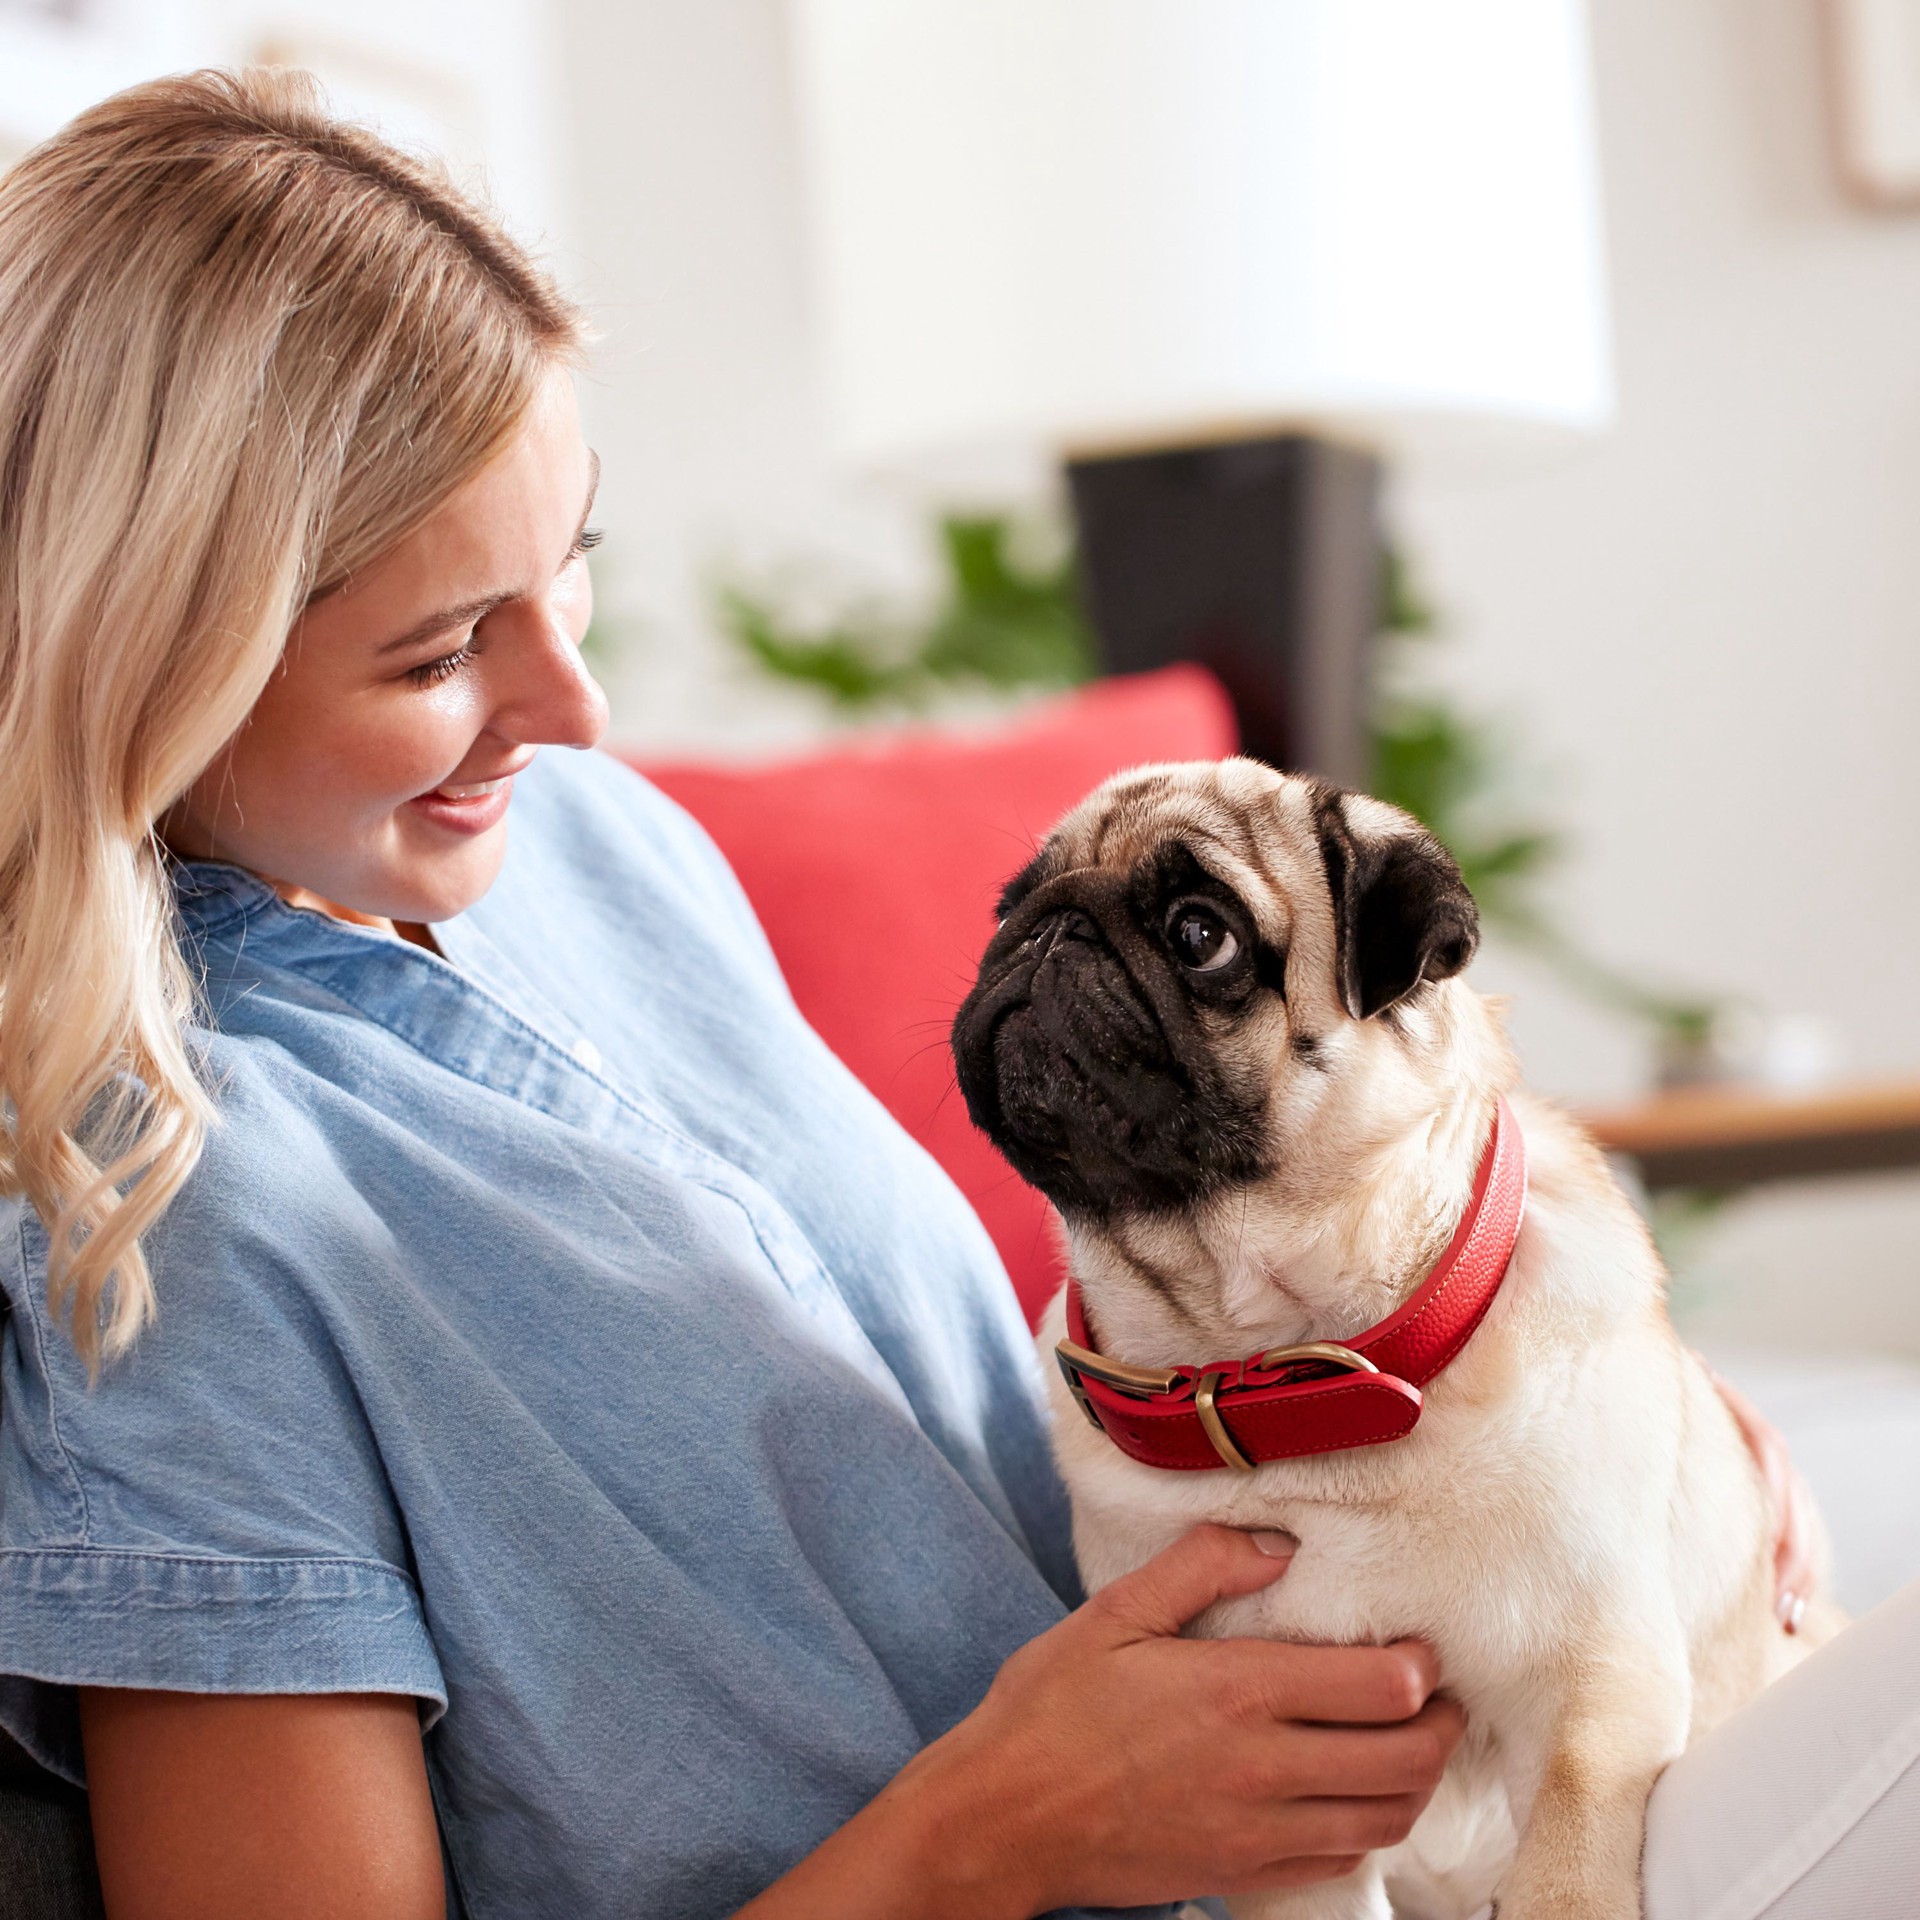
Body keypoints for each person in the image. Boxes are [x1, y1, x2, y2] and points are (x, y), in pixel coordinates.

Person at [0, 68, 1898, 1920]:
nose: (576, 712)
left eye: (569, 571)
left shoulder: (593, 851)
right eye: (437, 653)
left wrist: (1608, 1473)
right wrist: (995, 1836)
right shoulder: (161, 1224)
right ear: (154, 653)